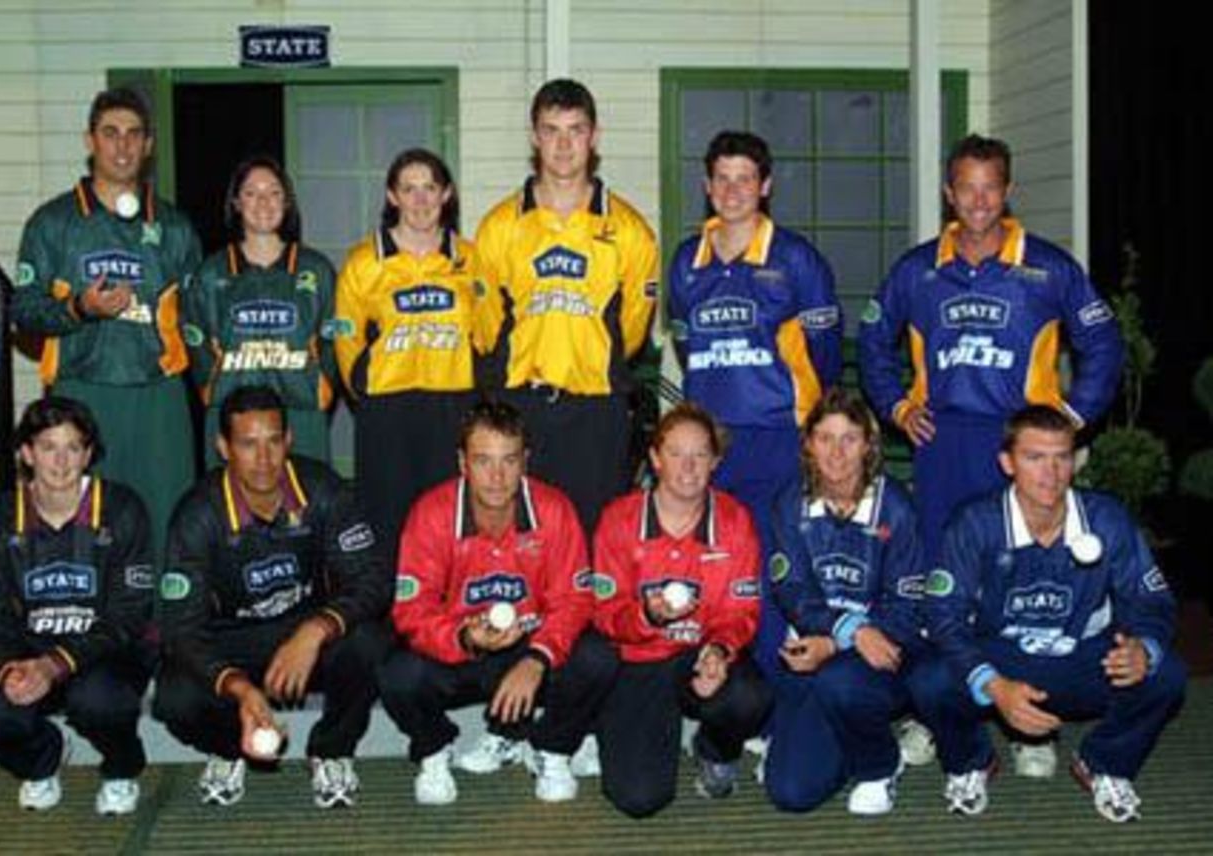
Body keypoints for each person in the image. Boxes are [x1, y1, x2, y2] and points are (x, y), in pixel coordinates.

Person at [858, 133, 1123, 570]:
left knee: (1020, 558)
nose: (978, 201)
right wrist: (898, 406)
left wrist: (1073, 415)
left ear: (1008, 191)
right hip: (942, 437)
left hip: (1024, 439)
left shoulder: (1050, 266)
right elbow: (873, 338)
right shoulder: (917, 269)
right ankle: (943, 639)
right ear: (949, 194)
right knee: (942, 557)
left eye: (990, 187)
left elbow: (1103, 342)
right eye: (966, 187)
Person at [910, 405, 1186, 823]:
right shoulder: (975, 523)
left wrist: (1143, 647)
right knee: (928, 678)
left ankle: (1104, 762)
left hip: (1082, 658)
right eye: (1034, 457)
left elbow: (1150, 599)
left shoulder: (1106, 519)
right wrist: (992, 685)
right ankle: (972, 761)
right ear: (1007, 463)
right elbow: (944, 615)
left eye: (1061, 457)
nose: (1051, 472)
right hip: (1000, 658)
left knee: (1164, 673)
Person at [153, 386, 391, 809]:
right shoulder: (197, 514)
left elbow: (372, 580)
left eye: (273, 441)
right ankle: (230, 747)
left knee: (370, 641)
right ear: (223, 447)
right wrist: (240, 688)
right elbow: (180, 629)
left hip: (305, 634)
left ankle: (332, 750)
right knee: (174, 696)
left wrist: (315, 631)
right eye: (248, 444)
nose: (264, 459)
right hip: (232, 642)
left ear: (289, 440)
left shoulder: (323, 489)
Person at [378, 399, 615, 805]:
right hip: (463, 648)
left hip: (532, 647)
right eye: (483, 460)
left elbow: (574, 600)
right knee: (398, 674)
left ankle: (552, 747)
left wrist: (536, 659)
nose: (497, 476)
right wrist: (466, 639)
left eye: (509, 460)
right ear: (462, 462)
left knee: (597, 657)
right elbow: (411, 612)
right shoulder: (431, 514)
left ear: (525, 461)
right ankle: (435, 750)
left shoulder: (554, 510)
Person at [12, 87, 202, 557]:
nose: (123, 146)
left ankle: (164, 621)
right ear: (90, 141)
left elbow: (199, 319)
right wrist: (79, 308)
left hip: (159, 395)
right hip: (83, 389)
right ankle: (84, 621)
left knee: (166, 516)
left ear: (149, 145)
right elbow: (22, 310)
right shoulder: (53, 222)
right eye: (111, 133)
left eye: (134, 135)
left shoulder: (175, 227)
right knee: (84, 515)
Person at [475, 78, 660, 536]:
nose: (563, 144)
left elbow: (633, 331)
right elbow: (485, 328)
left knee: (595, 537)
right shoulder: (500, 225)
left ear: (594, 137)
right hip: (521, 407)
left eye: (575, 130)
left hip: (597, 411)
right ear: (534, 136)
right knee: (520, 539)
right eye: (551, 130)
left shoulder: (630, 230)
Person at [0, 397, 154, 815]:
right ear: (27, 453)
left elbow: (129, 617)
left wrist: (57, 664)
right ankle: (42, 760)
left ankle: (121, 769)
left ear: (88, 454)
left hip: (106, 656)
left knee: (99, 699)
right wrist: (9, 669)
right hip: (29, 656)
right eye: (49, 447)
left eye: (73, 447)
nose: (61, 461)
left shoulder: (122, 509)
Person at [591, 403, 772, 818]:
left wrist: (720, 651)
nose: (688, 468)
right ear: (655, 458)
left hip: (699, 653)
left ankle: (715, 751)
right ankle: (611, 724)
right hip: (638, 659)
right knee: (640, 800)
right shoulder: (619, 519)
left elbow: (741, 610)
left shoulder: (735, 519)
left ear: (715, 462)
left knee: (749, 697)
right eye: (675, 453)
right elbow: (603, 613)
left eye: (700, 456)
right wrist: (646, 616)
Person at [667, 130, 842, 537]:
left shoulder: (796, 258)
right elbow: (684, 341)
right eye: (722, 179)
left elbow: (826, 353)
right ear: (707, 186)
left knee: (774, 553)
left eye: (744, 179)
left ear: (765, 186)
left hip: (778, 434)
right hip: (708, 438)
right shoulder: (685, 261)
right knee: (713, 551)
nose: (732, 191)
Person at [759, 389, 926, 816]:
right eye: (825, 438)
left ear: (869, 444)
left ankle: (880, 765)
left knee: (841, 685)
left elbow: (906, 609)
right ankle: (842, 737)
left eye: (849, 438)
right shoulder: (788, 504)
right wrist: (842, 633)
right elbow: (792, 589)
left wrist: (839, 643)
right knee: (789, 791)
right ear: (808, 444)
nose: (837, 452)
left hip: (880, 654)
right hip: (816, 646)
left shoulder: (897, 509)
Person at [334, 148, 482, 560]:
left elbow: (487, 330)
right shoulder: (364, 262)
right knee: (387, 516)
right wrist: (364, 389)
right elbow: (346, 337)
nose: (420, 200)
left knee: (449, 513)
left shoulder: (471, 258)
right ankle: (384, 607)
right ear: (392, 197)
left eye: (429, 188)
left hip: (452, 403)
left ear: (446, 194)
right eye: (408, 189)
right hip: (387, 407)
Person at [184, 155, 339, 466]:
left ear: (287, 201)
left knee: (306, 507)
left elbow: (333, 345)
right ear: (236, 203)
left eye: (274, 192)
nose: (263, 202)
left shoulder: (316, 269)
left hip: (301, 415)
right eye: (251, 193)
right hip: (233, 418)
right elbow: (196, 347)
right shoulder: (212, 273)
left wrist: (318, 390)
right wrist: (215, 393)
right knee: (229, 511)